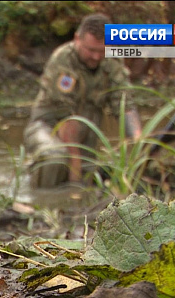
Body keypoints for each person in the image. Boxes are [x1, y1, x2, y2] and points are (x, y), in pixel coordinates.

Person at [24, 13, 143, 188]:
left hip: (87, 137)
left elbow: (124, 105)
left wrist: (140, 143)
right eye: (91, 50)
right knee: (55, 158)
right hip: (48, 127)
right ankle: (41, 205)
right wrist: (76, 178)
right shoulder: (63, 60)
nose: (96, 56)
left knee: (91, 181)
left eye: (101, 50)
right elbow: (67, 122)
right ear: (77, 39)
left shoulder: (112, 61)